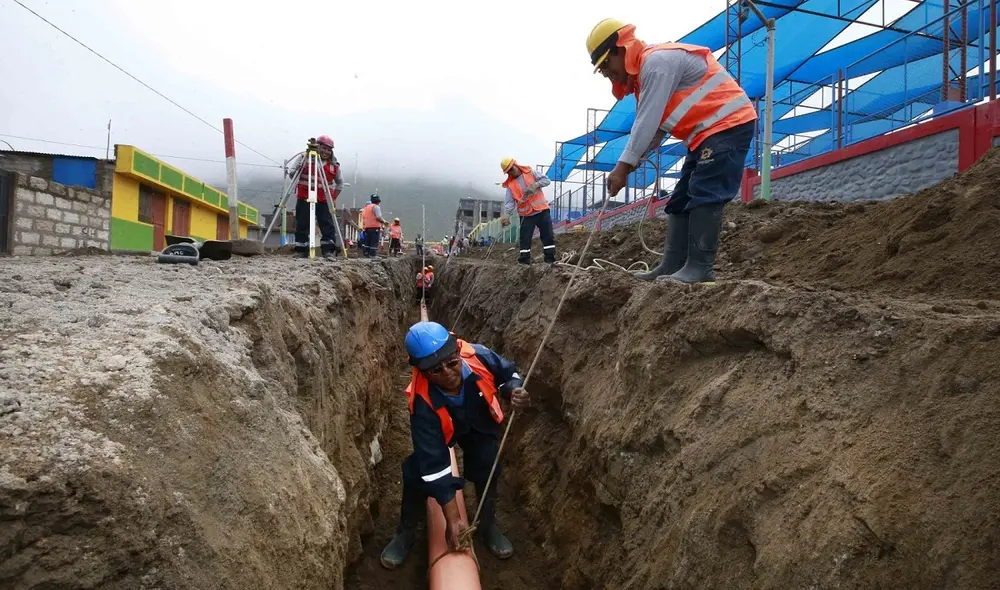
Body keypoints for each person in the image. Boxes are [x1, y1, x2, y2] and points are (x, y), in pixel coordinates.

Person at [586, 18, 757, 284]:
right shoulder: (647, 77)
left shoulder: (656, 64)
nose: (607, 73)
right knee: (680, 200)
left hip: (727, 125)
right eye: (602, 70)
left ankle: (700, 268)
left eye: (606, 64)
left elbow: (646, 122)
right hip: (705, 135)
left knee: (705, 191)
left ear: (621, 49)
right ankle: (672, 265)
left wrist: (622, 166)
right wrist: (631, 164)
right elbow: (655, 130)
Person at [380, 321, 529, 570]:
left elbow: (508, 374)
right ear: (421, 371)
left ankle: (487, 525)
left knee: (487, 461)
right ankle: (405, 532)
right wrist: (453, 518)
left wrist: (513, 390)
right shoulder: (422, 402)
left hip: (477, 421)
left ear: (457, 351)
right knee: (418, 472)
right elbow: (434, 463)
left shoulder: (479, 356)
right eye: (435, 370)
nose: (448, 372)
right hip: (442, 426)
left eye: (451, 363)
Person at [291, 135, 344, 259]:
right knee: (302, 223)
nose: (326, 152)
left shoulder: (334, 166)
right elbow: (292, 174)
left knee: (327, 224)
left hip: (324, 199)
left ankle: (328, 251)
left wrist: (333, 198)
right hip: (304, 196)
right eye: (323, 148)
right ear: (317, 146)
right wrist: (299, 169)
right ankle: (301, 250)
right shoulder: (304, 158)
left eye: (328, 149)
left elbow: (340, 183)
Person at [499, 158, 557, 265]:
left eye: (512, 168)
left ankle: (550, 259)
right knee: (525, 238)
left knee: (547, 235)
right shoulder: (510, 185)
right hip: (526, 215)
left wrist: (536, 185)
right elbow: (510, 202)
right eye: (509, 171)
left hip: (541, 211)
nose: (512, 171)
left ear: (515, 165)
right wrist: (507, 215)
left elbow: (547, 180)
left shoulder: (531, 173)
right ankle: (524, 261)